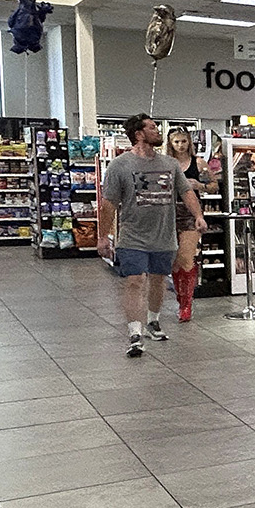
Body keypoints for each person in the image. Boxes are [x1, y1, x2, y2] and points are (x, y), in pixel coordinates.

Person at [99, 113, 205, 357]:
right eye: (153, 128)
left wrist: (198, 215)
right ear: (139, 134)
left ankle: (153, 321)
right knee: (135, 281)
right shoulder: (119, 166)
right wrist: (103, 236)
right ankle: (135, 333)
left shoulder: (170, 164)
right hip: (132, 236)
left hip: (164, 236)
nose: (158, 131)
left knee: (158, 280)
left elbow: (186, 192)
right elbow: (108, 204)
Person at [165, 126, 214, 322]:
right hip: (167, 213)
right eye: (176, 142)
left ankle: (186, 304)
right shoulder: (165, 163)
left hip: (191, 213)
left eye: (183, 141)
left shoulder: (199, 163)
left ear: (189, 142)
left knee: (186, 257)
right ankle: (180, 298)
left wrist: (199, 185)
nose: (180, 145)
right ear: (170, 143)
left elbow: (214, 185)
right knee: (174, 260)